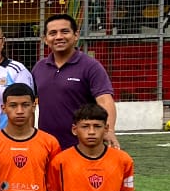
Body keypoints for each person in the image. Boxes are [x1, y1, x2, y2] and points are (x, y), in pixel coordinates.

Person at [33, 14, 118, 149]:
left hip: (82, 147)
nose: (59, 37)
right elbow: (28, 104)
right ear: (45, 39)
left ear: (76, 35)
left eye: (65, 31)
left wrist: (110, 130)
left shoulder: (91, 66)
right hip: (47, 146)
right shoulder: (39, 68)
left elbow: (104, 100)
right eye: (53, 33)